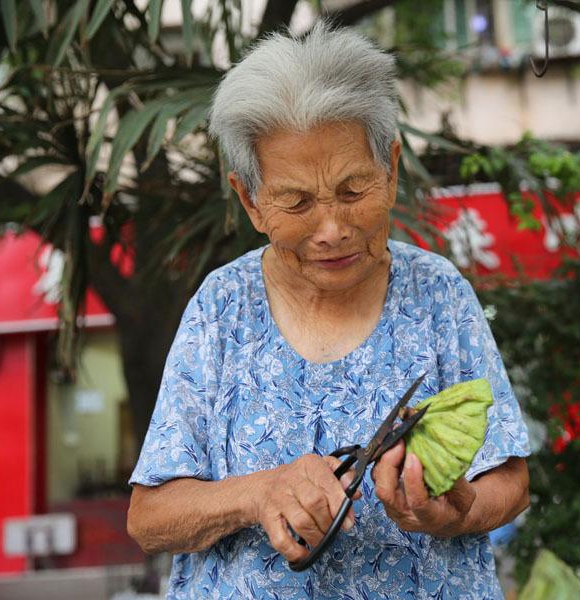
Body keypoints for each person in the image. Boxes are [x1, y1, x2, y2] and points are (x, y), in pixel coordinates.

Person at [126, 22, 531, 599]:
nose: (332, 230)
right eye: (296, 202)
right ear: (251, 200)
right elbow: (148, 518)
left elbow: (510, 479)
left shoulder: (436, 294)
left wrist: (458, 514)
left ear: (390, 170)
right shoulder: (222, 308)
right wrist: (256, 494)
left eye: (353, 190)